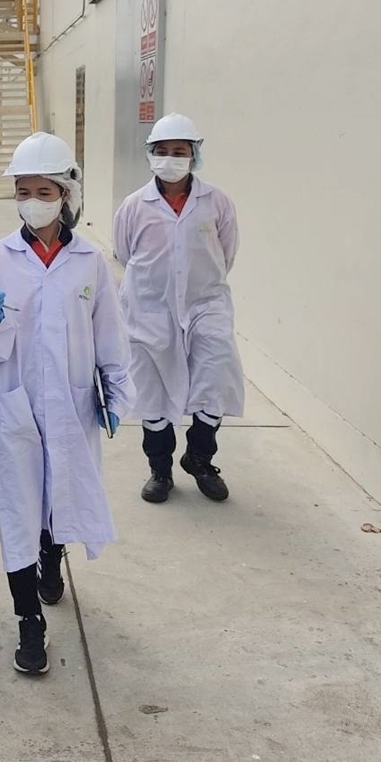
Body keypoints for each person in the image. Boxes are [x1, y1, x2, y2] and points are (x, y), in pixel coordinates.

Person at [0, 133, 134, 674]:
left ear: (65, 195)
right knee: (18, 509)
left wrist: (116, 392)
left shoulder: (89, 263)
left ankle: (51, 556)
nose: (32, 202)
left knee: (59, 494)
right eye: (23, 191)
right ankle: (28, 622)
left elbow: (109, 334)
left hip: (71, 404)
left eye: (43, 191)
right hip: (11, 406)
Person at [112, 113, 244, 504]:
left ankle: (199, 458)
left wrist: (196, 286)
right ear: (151, 154)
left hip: (206, 304)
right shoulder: (134, 206)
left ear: (194, 155)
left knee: (215, 379)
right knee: (153, 392)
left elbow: (227, 252)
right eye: (163, 151)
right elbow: (124, 252)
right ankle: (160, 470)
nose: (170, 158)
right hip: (149, 309)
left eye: (179, 151)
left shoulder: (216, 202)